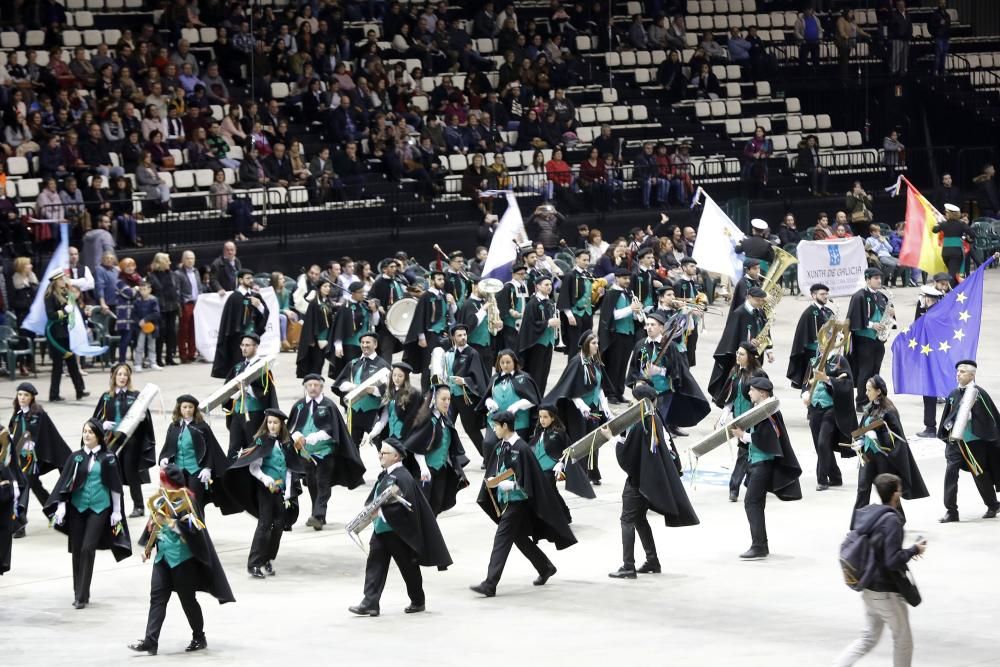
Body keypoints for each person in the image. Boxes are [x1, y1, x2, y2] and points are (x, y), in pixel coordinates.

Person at [128, 465, 235, 656]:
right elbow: (153, 526)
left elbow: (195, 529)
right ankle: (150, 641)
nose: (160, 484)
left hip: (183, 560)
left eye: (162, 480)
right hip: (163, 558)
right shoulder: (161, 499)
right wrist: (149, 549)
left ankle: (199, 636)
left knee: (188, 600)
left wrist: (171, 522)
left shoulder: (188, 500)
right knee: (157, 599)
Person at [470, 410, 576, 597]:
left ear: (505, 426)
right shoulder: (501, 446)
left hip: (518, 502)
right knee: (518, 538)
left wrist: (512, 485)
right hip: (506, 502)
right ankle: (545, 567)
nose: (493, 429)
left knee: (501, 540)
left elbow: (532, 481)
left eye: (496, 426)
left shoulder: (523, 448)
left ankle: (490, 583)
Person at [348, 437, 453, 617]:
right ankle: (370, 602)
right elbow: (375, 498)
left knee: (407, 567)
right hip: (381, 530)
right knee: (375, 564)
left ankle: (418, 600)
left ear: (396, 456)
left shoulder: (403, 477)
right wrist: (369, 511)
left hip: (397, 532)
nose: (380, 455)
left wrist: (381, 513)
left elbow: (407, 505)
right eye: (380, 451)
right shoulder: (385, 475)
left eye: (384, 453)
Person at [833, 473, 926, 667]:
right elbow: (891, 560)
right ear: (895, 494)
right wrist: (913, 550)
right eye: (899, 489)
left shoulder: (869, 513)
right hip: (885, 592)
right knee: (903, 641)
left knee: (868, 638)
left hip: (868, 588)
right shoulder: (892, 521)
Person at [607, 382, 699, 579]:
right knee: (639, 519)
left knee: (627, 520)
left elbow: (629, 456)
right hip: (651, 479)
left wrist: (613, 439)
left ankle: (628, 566)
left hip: (638, 481)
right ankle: (652, 561)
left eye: (633, 399)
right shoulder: (655, 417)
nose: (631, 403)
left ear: (640, 402)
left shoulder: (641, 424)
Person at [44, 418, 133, 608]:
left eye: (91, 432)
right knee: (77, 550)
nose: (86, 435)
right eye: (84, 431)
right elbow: (64, 483)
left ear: (99, 436)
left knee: (87, 548)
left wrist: (116, 511)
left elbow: (115, 486)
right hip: (78, 508)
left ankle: (82, 595)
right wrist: (61, 506)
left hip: (100, 508)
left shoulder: (109, 458)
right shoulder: (75, 457)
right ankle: (79, 592)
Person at [220, 408, 303, 578]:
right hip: (265, 489)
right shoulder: (261, 441)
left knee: (280, 524)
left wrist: (288, 491)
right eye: (270, 422)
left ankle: (267, 558)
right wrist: (265, 479)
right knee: (265, 524)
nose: (272, 426)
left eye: (275, 423)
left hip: (280, 490)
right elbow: (253, 466)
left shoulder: (285, 444)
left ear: (281, 425)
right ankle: (254, 563)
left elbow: (289, 469)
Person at [728, 376, 802, 559]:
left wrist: (743, 435)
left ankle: (759, 545)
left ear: (762, 393)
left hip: (763, 464)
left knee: (751, 502)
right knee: (756, 503)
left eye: (752, 390)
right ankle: (761, 545)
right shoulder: (760, 409)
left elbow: (768, 438)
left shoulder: (769, 411)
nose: (749, 393)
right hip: (755, 462)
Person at [288, 374, 365, 530]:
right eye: (309, 385)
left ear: (321, 387)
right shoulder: (299, 406)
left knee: (323, 483)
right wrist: (297, 436)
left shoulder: (328, 405)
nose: (313, 388)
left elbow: (331, 431)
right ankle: (318, 516)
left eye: (316, 385)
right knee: (311, 483)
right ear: (305, 387)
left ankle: (317, 515)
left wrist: (308, 439)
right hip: (306, 454)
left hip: (324, 452)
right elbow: (291, 428)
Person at [851, 377, 929, 524]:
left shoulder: (889, 411)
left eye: (869, 390)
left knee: (886, 490)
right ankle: (857, 524)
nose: (866, 393)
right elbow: (862, 429)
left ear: (878, 391)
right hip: (867, 455)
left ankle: (898, 519)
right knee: (862, 488)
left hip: (883, 457)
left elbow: (897, 437)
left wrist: (878, 437)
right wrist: (859, 440)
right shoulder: (869, 408)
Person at [545, 331, 612, 485]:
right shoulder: (576, 363)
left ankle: (592, 473)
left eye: (597, 343)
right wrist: (581, 406)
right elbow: (570, 389)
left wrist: (605, 405)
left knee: (594, 439)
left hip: (593, 408)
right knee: (579, 441)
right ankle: (579, 475)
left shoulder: (596, 362)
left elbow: (600, 386)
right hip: (578, 411)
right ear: (586, 344)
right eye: (594, 343)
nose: (597, 346)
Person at [937, 360, 1000, 523]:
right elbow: (947, 416)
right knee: (951, 474)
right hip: (955, 443)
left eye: (963, 371)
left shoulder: (979, 393)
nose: (959, 374)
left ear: (972, 375)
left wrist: (974, 419)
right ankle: (951, 511)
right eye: (958, 371)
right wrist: (948, 428)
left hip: (973, 444)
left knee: (980, 474)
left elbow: (991, 419)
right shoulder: (953, 394)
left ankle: (993, 504)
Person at [92, 363, 156, 517]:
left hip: (130, 440)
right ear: (113, 377)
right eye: (119, 374)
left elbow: (146, 418)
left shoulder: (136, 396)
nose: (122, 378)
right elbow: (95, 419)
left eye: (125, 375)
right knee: (111, 471)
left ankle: (139, 506)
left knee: (130, 471)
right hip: (112, 440)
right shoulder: (107, 396)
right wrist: (103, 424)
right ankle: (112, 506)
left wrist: (143, 417)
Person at [8, 383, 70, 538]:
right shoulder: (17, 415)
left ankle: (20, 525)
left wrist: (32, 444)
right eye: (20, 394)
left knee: (25, 486)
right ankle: (54, 514)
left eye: (26, 395)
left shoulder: (39, 414)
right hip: (19, 460)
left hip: (33, 460)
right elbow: (12, 434)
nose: (22, 398)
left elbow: (48, 435)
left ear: (32, 397)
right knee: (36, 487)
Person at [403, 385, 469, 515]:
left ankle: (430, 532)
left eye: (449, 399)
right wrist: (423, 467)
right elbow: (417, 446)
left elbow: (448, 447)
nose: (447, 403)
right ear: (434, 399)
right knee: (422, 506)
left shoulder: (446, 420)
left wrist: (456, 468)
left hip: (441, 470)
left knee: (436, 504)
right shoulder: (426, 421)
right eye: (443, 399)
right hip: (426, 471)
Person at [713, 342, 766, 502]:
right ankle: (745, 482)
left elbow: (764, 397)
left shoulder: (758, 374)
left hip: (754, 419)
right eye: (737, 353)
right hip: (739, 418)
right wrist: (723, 417)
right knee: (746, 451)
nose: (737, 356)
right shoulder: (735, 372)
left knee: (746, 452)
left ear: (749, 357)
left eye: (741, 354)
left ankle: (735, 486)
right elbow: (730, 397)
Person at [802, 338, 857, 491]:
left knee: (822, 442)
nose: (821, 346)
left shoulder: (839, 361)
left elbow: (847, 385)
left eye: (824, 343)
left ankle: (822, 479)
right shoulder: (814, 361)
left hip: (831, 409)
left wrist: (827, 379)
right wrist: (805, 394)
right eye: (819, 343)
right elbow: (806, 383)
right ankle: (835, 476)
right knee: (820, 446)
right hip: (815, 408)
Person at [157, 394, 227, 514]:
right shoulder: (174, 426)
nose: (187, 410)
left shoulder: (202, 427)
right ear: (179, 408)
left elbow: (211, 448)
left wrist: (208, 468)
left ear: (195, 409)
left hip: (196, 471)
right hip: (178, 471)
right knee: (178, 503)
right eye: (184, 407)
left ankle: (199, 530)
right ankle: (182, 530)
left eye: (190, 407)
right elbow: (168, 446)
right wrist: (164, 458)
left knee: (195, 503)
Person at [222, 333, 278, 457]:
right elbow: (227, 390)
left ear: (256, 347)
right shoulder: (238, 368)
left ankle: (253, 475)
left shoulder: (262, 368)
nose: (244, 348)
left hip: (254, 414)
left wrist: (247, 388)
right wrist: (234, 394)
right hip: (237, 413)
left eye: (247, 345)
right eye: (242, 345)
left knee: (252, 448)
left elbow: (267, 392)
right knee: (233, 449)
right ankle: (232, 476)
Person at [708, 286, 769, 399]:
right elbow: (732, 337)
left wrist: (769, 350)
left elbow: (764, 330)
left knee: (755, 379)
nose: (760, 303)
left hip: (756, 355)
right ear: (749, 297)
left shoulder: (760, 312)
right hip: (742, 356)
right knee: (740, 382)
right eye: (758, 300)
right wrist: (747, 343)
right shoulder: (738, 313)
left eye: (762, 300)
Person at [847, 269, 895, 411]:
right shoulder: (859, 296)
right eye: (875, 278)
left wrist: (892, 315)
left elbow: (887, 316)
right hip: (865, 339)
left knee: (875, 371)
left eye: (880, 278)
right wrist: (871, 324)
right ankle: (861, 401)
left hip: (878, 340)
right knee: (865, 371)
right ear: (867, 280)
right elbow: (853, 318)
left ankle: (874, 399)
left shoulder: (882, 296)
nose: (879, 281)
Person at [440, 324, 490, 459]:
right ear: (453, 337)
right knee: (445, 425)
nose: (463, 338)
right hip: (449, 397)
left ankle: (487, 457)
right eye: (459, 335)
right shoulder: (448, 353)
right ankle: (451, 457)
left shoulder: (472, 353)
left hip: (465, 397)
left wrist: (465, 381)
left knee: (471, 429)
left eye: (464, 335)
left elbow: (479, 377)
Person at [210, 269, 269, 379]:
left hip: (252, 335)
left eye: (252, 278)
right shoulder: (234, 297)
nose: (251, 280)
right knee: (238, 364)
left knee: (251, 361)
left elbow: (265, 313)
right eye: (248, 278)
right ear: (240, 280)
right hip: (237, 338)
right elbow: (229, 320)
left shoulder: (255, 296)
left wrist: (259, 306)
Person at [333, 333, 391, 445]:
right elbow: (339, 384)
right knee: (351, 446)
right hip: (354, 411)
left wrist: (373, 390)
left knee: (379, 445)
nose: (364, 345)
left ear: (375, 344)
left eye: (368, 342)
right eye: (362, 342)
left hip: (373, 413)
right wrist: (347, 386)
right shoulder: (354, 363)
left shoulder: (383, 366)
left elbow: (389, 391)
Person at [403, 270, 455, 392]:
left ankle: (442, 389)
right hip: (430, 335)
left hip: (444, 334)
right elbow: (419, 316)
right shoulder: (426, 296)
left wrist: (452, 303)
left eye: (443, 279)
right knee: (428, 365)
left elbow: (452, 313)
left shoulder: (444, 295)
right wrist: (421, 337)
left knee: (444, 363)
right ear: (432, 281)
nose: (442, 282)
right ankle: (426, 392)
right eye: (439, 279)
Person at [598, 268, 644, 404]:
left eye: (628, 279)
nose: (627, 281)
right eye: (624, 278)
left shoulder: (628, 294)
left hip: (628, 334)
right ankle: (610, 393)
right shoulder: (611, 294)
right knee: (614, 365)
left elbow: (633, 316)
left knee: (623, 365)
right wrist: (631, 309)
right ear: (617, 278)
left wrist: (637, 313)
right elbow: (612, 315)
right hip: (616, 334)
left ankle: (619, 392)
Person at [44, 270, 89, 403]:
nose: (64, 281)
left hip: (67, 333)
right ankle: (54, 394)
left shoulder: (66, 294)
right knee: (57, 365)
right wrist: (64, 312)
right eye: (61, 279)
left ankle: (80, 390)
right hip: (56, 335)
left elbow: (74, 311)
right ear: (55, 282)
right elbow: (50, 315)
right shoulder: (50, 296)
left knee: (72, 363)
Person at [516, 276, 559, 396]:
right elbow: (529, 325)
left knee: (544, 375)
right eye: (546, 285)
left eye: (550, 284)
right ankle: (532, 400)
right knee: (535, 374)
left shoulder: (550, 303)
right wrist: (548, 323)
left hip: (548, 343)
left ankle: (539, 398)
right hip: (536, 344)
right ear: (538, 286)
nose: (549, 287)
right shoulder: (533, 303)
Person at [787, 284, 835, 389]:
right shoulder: (808, 313)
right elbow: (802, 337)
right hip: (813, 354)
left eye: (826, 294)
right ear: (813, 295)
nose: (825, 296)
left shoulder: (829, 312)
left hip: (827, 352)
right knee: (811, 384)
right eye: (822, 294)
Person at [332, 280, 381, 379]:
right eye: (361, 292)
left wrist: (375, 310)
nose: (363, 295)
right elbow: (339, 326)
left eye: (364, 292)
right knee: (351, 372)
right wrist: (338, 345)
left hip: (366, 345)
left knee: (364, 372)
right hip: (351, 344)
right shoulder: (345, 307)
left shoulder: (365, 305)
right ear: (353, 293)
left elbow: (375, 322)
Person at [368, 362, 423, 447]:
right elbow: (384, 418)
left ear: (405, 377)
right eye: (394, 375)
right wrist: (373, 433)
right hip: (391, 437)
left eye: (400, 376)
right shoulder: (390, 393)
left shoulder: (413, 394)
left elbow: (413, 418)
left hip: (405, 437)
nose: (396, 378)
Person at [556, 250, 596, 359]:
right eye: (584, 260)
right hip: (575, 313)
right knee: (575, 344)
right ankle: (573, 368)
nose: (586, 263)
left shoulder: (589, 276)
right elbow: (564, 296)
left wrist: (599, 293)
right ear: (577, 260)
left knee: (587, 342)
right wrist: (569, 315)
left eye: (588, 260)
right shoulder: (570, 276)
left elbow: (591, 296)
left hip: (587, 313)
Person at [295, 278, 336, 378]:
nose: (327, 288)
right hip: (315, 339)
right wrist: (311, 339)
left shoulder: (329, 303)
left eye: (329, 286)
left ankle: (316, 383)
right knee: (315, 363)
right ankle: (311, 383)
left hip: (327, 338)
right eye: (325, 286)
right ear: (319, 288)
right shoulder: (314, 303)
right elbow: (309, 322)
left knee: (321, 362)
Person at [932, 203, 972, 285]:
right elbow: (972, 234)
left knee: (952, 272)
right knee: (952, 273)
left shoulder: (943, 224)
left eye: (946, 213)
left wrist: (938, 223)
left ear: (949, 214)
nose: (945, 214)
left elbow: (934, 230)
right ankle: (949, 290)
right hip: (956, 252)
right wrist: (966, 239)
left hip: (945, 252)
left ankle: (955, 288)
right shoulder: (961, 224)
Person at [495, 263, 529, 352]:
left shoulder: (524, 286)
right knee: (511, 346)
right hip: (511, 323)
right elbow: (501, 301)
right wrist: (510, 311)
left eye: (524, 274)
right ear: (513, 274)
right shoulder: (508, 286)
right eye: (520, 274)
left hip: (523, 320)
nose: (523, 276)